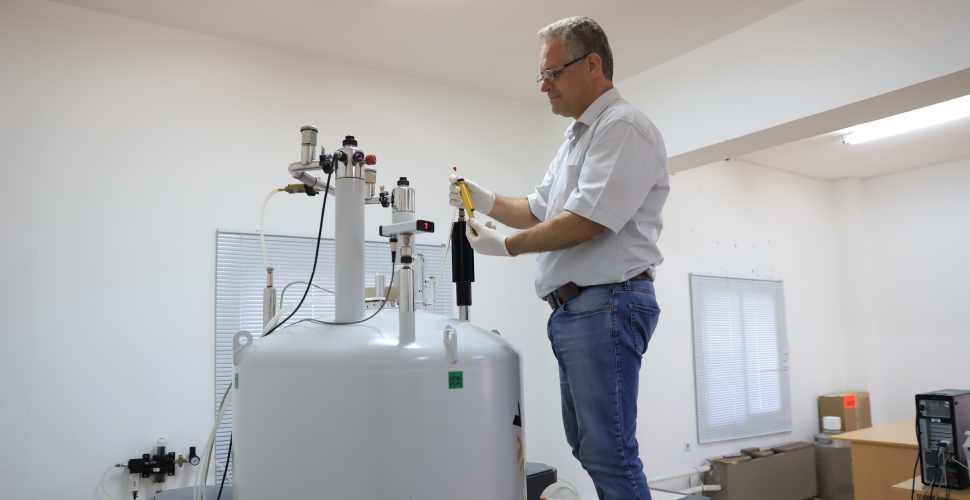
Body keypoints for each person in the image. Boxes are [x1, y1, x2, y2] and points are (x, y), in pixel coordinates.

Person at [448, 16, 669, 500]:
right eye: (541, 75)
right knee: (589, 448)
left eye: (553, 72)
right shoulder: (577, 138)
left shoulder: (623, 126)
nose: (544, 85)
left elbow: (586, 221)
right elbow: (537, 209)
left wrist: (506, 246)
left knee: (609, 452)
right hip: (577, 310)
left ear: (592, 65)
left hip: (607, 303)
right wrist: (486, 201)